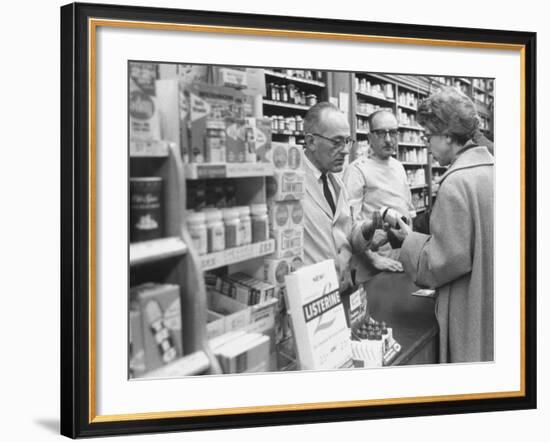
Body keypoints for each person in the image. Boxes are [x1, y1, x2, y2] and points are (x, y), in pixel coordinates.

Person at [391, 86, 494, 363]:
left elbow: (444, 261)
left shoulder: (456, 182)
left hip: (468, 305)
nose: (427, 145)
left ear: (448, 136)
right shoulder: (492, 169)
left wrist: (408, 240)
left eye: (428, 137)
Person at [302, 102, 384, 291]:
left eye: (347, 141)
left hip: (342, 289)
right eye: (337, 142)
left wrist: (368, 227)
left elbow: (347, 237)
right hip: (310, 294)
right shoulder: (290, 181)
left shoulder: (336, 182)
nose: (346, 150)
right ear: (311, 141)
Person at [343, 108, 414, 274]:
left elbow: (408, 211)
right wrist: (374, 259)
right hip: (374, 265)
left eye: (393, 133)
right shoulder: (357, 170)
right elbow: (349, 226)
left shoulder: (399, 167)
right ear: (370, 138)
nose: (389, 140)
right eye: (381, 133)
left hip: (402, 260)